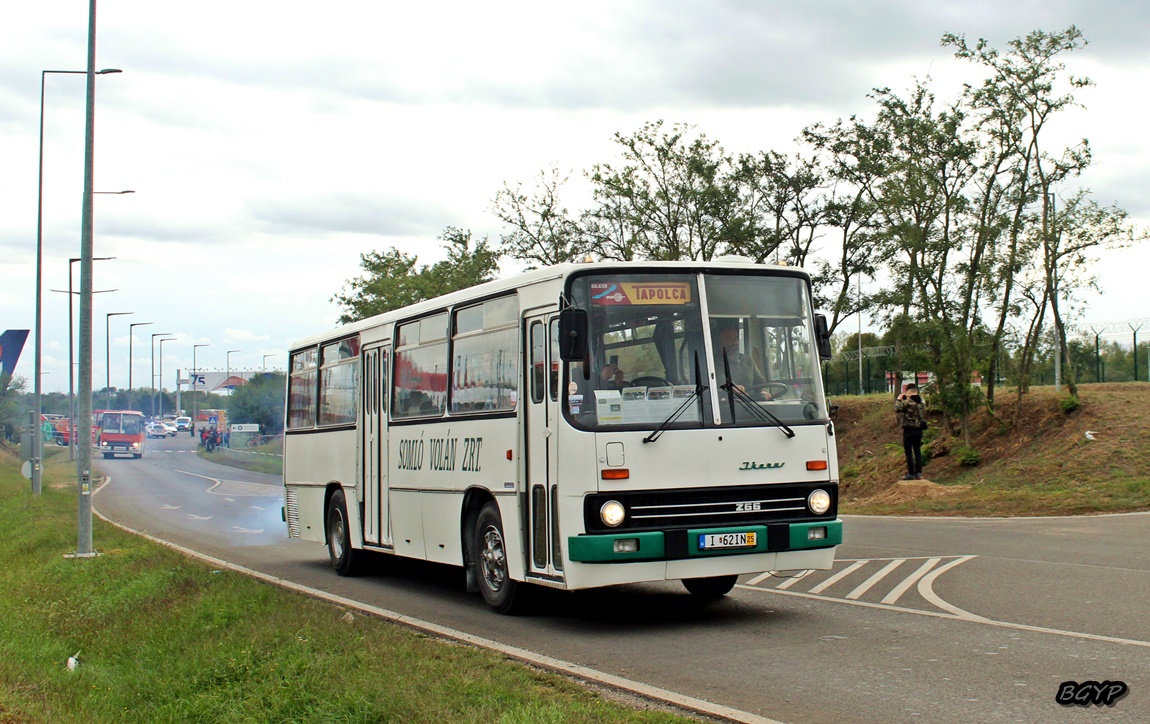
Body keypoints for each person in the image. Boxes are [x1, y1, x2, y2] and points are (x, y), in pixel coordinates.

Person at [714, 324, 770, 399]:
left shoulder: (747, 360)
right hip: (729, 403)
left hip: (753, 402)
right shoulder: (712, 363)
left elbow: (761, 381)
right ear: (719, 341)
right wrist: (733, 388)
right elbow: (720, 381)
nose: (735, 342)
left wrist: (764, 391)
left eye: (736, 338)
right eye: (729, 339)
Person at [894, 383, 926, 480]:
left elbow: (897, 409)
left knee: (908, 451)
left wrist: (899, 399)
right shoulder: (922, 402)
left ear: (908, 392)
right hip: (919, 429)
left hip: (909, 430)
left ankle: (911, 473)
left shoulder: (907, 402)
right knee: (917, 451)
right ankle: (918, 473)